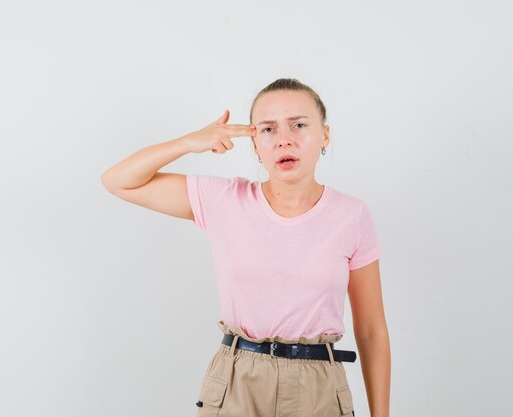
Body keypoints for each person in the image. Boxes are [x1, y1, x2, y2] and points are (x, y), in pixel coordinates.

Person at [100, 78, 391, 417]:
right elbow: (117, 180)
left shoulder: (352, 215)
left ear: (324, 135)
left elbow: (371, 331)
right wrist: (188, 142)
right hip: (238, 380)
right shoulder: (225, 201)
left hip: (319, 387)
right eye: (268, 129)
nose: (284, 139)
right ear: (255, 145)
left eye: (298, 125)